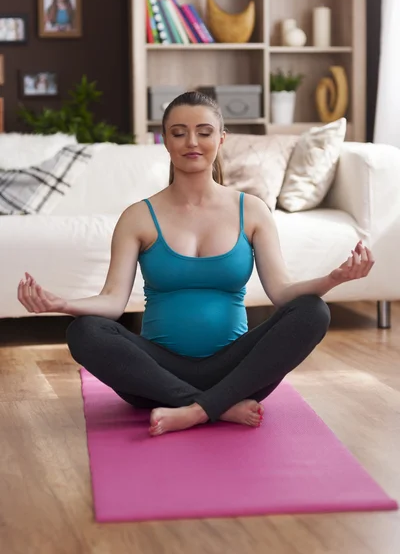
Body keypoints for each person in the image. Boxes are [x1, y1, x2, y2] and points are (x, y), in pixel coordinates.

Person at [17, 91, 375, 438]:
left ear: (221, 139)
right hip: (155, 375)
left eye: (204, 132)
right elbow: (112, 302)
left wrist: (333, 278)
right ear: (165, 141)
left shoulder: (251, 210)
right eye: (179, 132)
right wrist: (62, 305)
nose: (192, 142)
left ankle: (195, 410)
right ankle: (215, 407)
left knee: (313, 311)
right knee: (84, 331)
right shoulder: (138, 216)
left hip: (236, 372)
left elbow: (282, 293)